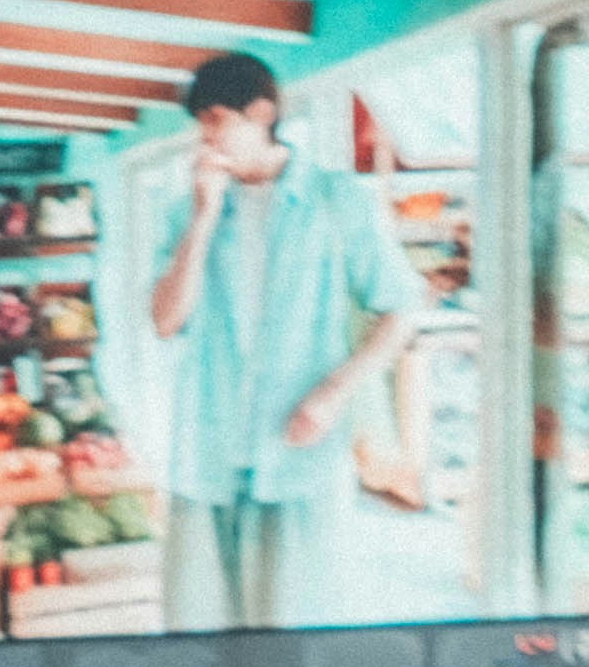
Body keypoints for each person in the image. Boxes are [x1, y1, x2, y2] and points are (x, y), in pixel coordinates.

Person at [143, 47, 421, 631]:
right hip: (208, 452)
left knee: (298, 631)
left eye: (218, 120)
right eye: (201, 125)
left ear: (262, 113)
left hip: (299, 455)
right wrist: (202, 217)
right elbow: (165, 321)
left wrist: (333, 393)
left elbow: (400, 308)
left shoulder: (336, 200)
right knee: (202, 632)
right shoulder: (184, 211)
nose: (207, 138)